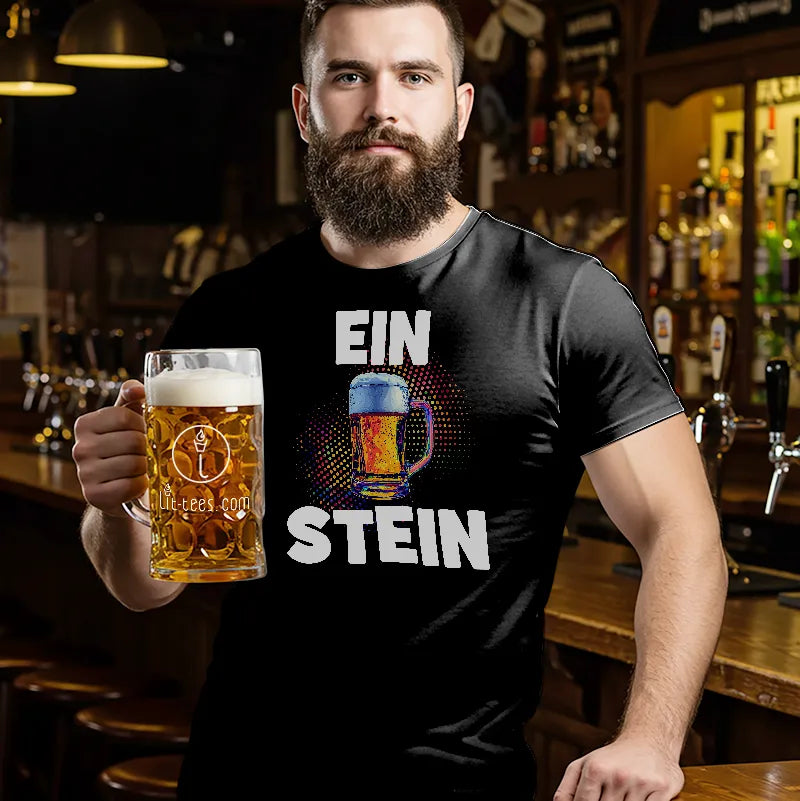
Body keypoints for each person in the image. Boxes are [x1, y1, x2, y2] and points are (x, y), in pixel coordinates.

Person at [72, 0, 729, 799]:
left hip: (463, 784)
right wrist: (116, 507)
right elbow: (150, 584)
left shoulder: (563, 302)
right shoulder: (229, 314)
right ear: (305, 110)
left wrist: (652, 738)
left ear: (458, 110)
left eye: (414, 75)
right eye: (350, 75)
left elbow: (683, 527)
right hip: (245, 775)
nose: (382, 106)